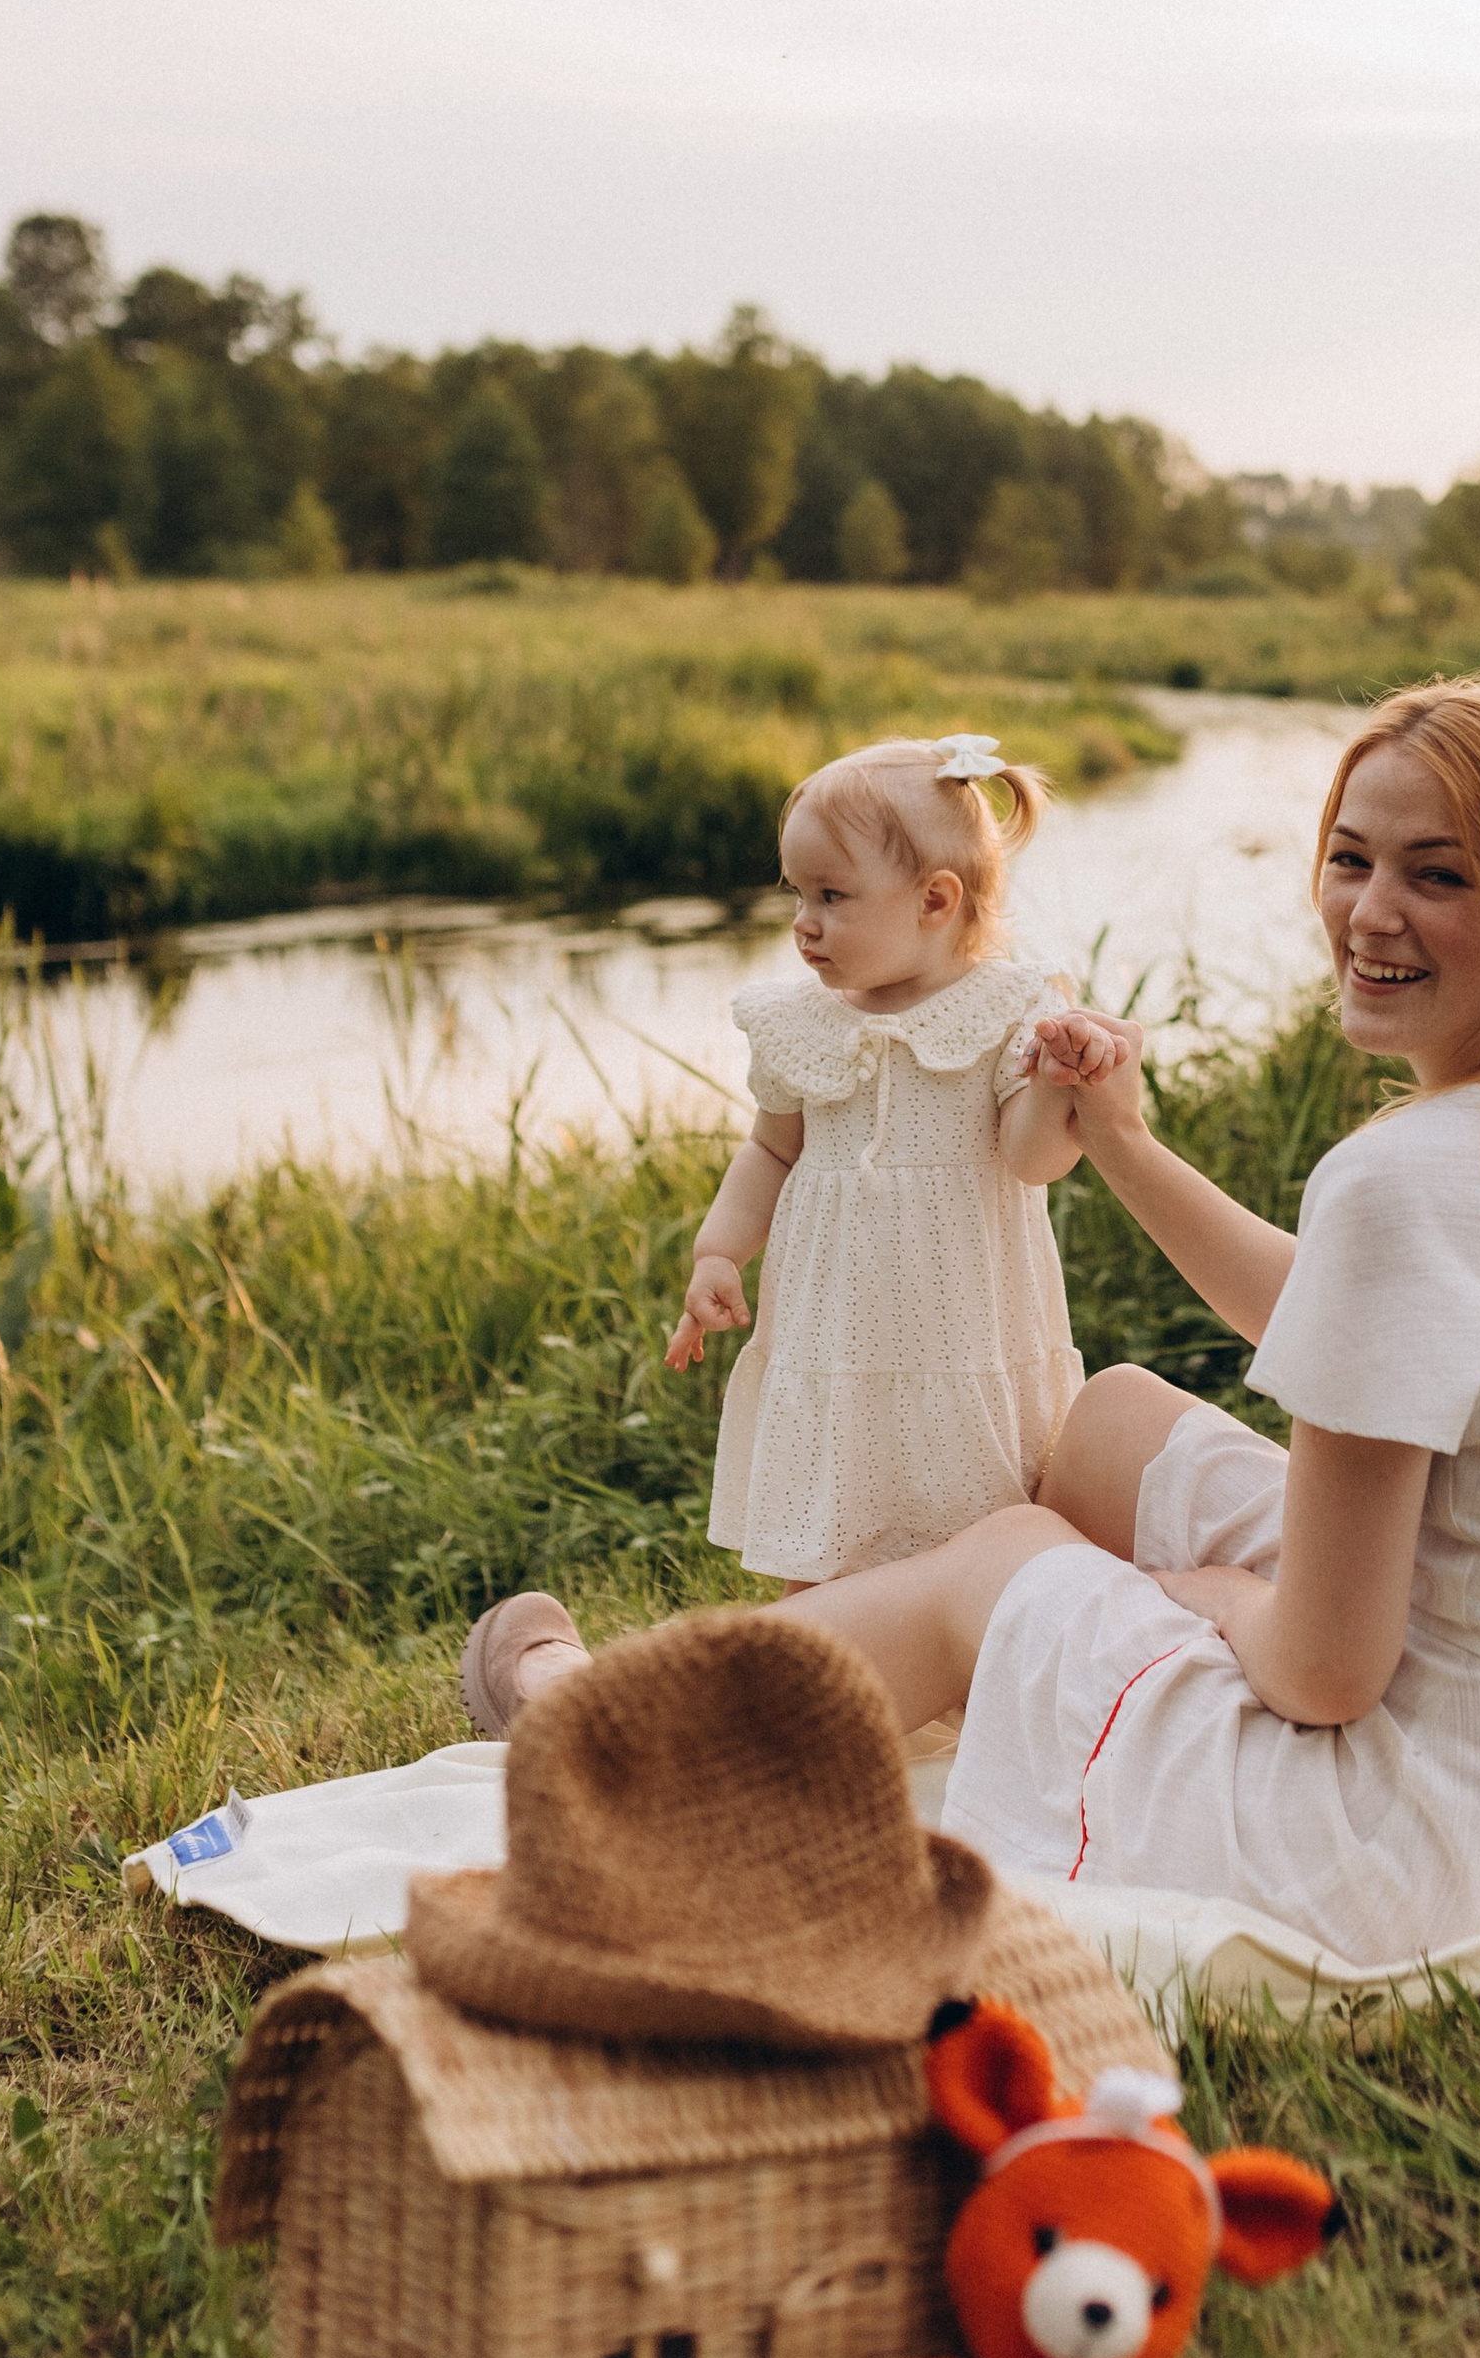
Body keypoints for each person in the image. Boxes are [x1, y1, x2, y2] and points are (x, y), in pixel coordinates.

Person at [471, 675, 1480, 1962]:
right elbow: (1365, 1319)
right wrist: (1125, 1144)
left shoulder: (1407, 1178)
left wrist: (1208, 1597)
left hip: (1409, 1856)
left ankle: (597, 1730)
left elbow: (1323, 1676)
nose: (1370, 914)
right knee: (1110, 1423)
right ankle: (1002, 1674)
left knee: (1001, 1552)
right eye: (1350, 859)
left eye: (1440, 877)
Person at [460, 731, 1116, 1736]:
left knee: (976, 1513)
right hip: (835, 1335)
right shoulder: (802, 1022)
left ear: (935, 901)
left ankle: (949, 1681)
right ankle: (816, 1669)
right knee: (833, 1519)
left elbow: (1032, 1160)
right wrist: (718, 1254)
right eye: (796, 895)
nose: (805, 924)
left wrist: (1054, 1083)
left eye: (832, 897)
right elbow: (771, 1152)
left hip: (960, 1336)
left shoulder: (1006, 1011)